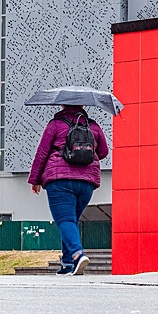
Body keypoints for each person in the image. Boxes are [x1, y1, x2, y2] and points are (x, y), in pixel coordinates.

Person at [28, 105, 108, 276]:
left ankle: (78, 255)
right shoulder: (93, 126)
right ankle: (67, 264)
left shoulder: (55, 125)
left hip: (59, 180)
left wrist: (35, 179)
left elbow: (42, 153)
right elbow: (103, 152)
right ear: (83, 105)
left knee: (65, 220)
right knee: (70, 221)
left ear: (63, 105)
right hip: (87, 182)